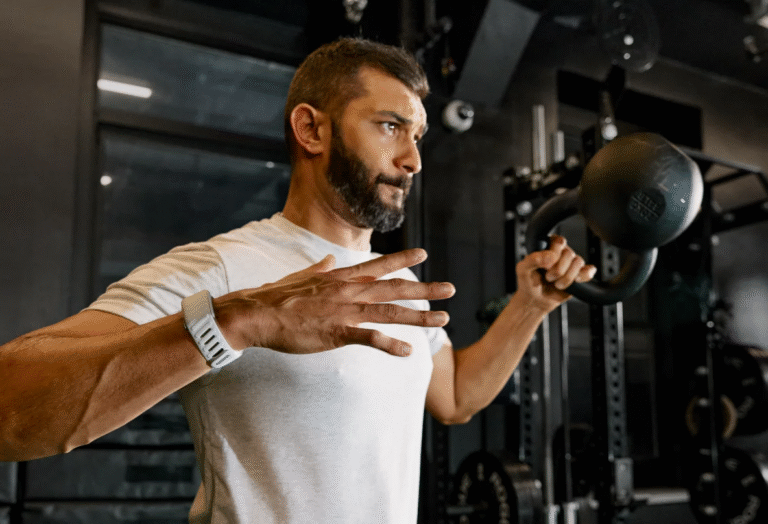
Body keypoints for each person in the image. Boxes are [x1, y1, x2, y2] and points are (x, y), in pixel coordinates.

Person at [0, 38, 595, 523]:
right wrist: (238, 322)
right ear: (311, 130)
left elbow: (456, 397)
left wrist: (531, 305)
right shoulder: (221, 267)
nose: (413, 160)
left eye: (417, 136)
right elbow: (10, 409)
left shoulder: (395, 279)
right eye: (390, 126)